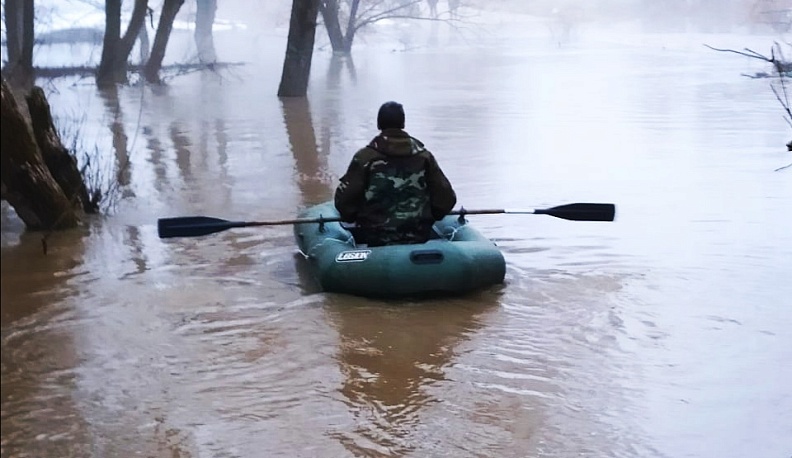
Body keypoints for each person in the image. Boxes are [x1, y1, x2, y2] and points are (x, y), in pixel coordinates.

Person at [334, 101, 457, 247]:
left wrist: (354, 218)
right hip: (418, 234)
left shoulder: (365, 158)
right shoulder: (424, 157)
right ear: (403, 124)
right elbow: (446, 198)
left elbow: (345, 201)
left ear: (379, 124)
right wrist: (432, 216)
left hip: (376, 237)